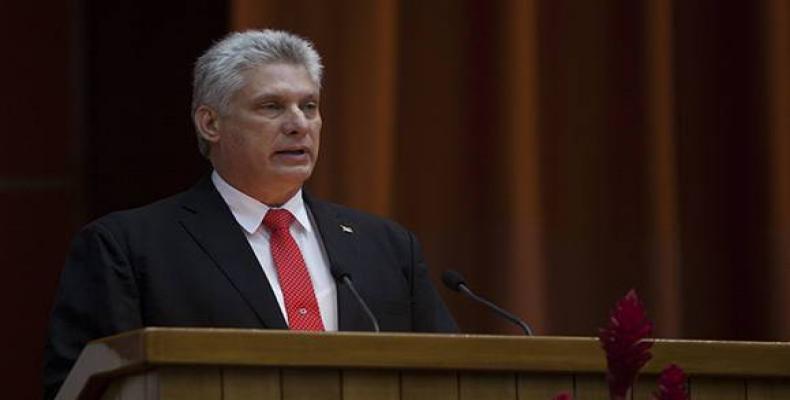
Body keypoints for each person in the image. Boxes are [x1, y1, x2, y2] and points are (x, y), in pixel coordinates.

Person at [43, 29, 457, 398]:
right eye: (271, 107)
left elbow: (450, 375)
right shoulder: (129, 248)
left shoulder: (386, 246)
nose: (298, 124)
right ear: (210, 123)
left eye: (309, 106)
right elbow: (83, 388)